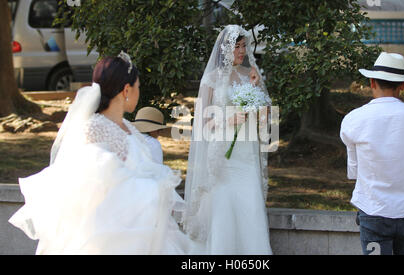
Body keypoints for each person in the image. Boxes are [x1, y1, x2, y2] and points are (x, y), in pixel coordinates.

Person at [9, 52, 200, 255]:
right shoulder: (92, 129)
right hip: (109, 230)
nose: (138, 91)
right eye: (138, 87)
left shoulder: (129, 127)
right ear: (127, 90)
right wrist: (152, 189)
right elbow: (90, 184)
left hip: (141, 222)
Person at [182, 25, 272, 255]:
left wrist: (256, 86)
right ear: (225, 49)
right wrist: (227, 119)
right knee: (224, 206)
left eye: (244, 46)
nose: (241, 51)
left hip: (246, 151)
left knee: (250, 205)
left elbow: (265, 117)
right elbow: (202, 124)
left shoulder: (249, 75)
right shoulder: (210, 80)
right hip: (223, 154)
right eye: (236, 46)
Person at [340, 52, 404, 255]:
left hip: (374, 210)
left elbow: (354, 171)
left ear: (372, 82)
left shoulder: (354, 119)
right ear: (403, 85)